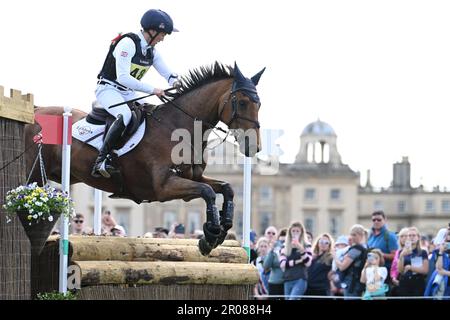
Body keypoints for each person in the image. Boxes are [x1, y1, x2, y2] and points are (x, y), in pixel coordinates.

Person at [91, 9, 181, 178]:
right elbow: (123, 78)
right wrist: (153, 90)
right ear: (152, 31)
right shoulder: (127, 44)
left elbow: (168, 73)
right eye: (162, 34)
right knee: (124, 115)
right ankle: (101, 161)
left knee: (152, 115)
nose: (163, 39)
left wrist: (176, 83)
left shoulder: (151, 51)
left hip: (126, 92)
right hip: (108, 89)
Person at [279, 221, 312, 300]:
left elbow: (308, 263)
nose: (295, 233)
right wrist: (297, 262)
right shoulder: (285, 246)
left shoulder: (307, 245)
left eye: (297, 231)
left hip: (300, 279)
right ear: (290, 232)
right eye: (293, 231)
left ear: (301, 233)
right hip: (287, 279)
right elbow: (282, 264)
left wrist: (301, 249)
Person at [334, 224, 368, 298]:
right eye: (351, 234)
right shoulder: (364, 248)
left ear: (361, 236)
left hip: (352, 282)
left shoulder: (355, 249)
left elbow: (342, 267)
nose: (351, 237)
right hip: (357, 282)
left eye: (354, 235)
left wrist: (335, 257)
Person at [397, 227, 429, 297]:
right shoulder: (401, 252)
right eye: (409, 235)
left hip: (418, 282)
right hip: (404, 282)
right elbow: (400, 270)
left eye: (414, 235)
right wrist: (401, 256)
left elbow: (425, 270)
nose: (411, 237)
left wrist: (410, 267)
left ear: (418, 237)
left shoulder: (423, 252)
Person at [367, 211, 398, 281]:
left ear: (385, 220)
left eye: (379, 220)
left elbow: (396, 256)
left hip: (385, 275)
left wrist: (381, 255)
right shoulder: (370, 236)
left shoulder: (390, 236)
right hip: (371, 274)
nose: (376, 222)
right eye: (374, 220)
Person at [304, 233, 334, 297]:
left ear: (329, 245)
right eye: (321, 241)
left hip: (321, 290)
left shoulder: (330, 257)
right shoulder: (311, 256)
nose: (323, 244)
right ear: (318, 243)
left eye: (326, 242)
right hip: (308, 289)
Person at [425, 226, 450, 298]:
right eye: (447, 234)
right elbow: (439, 269)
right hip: (445, 288)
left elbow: (442, 271)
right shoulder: (440, 252)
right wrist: (441, 252)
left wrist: (445, 272)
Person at [263, 228, 287, 300]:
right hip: (274, 282)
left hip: (287, 282)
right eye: (281, 241)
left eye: (284, 241)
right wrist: (272, 250)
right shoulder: (275, 249)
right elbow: (266, 265)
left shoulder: (291, 249)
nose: (282, 243)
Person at [390, 227, 409, 296]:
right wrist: (394, 277)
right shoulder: (398, 252)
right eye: (401, 236)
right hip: (398, 281)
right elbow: (393, 267)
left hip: (410, 282)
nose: (404, 238)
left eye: (406, 236)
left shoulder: (415, 251)